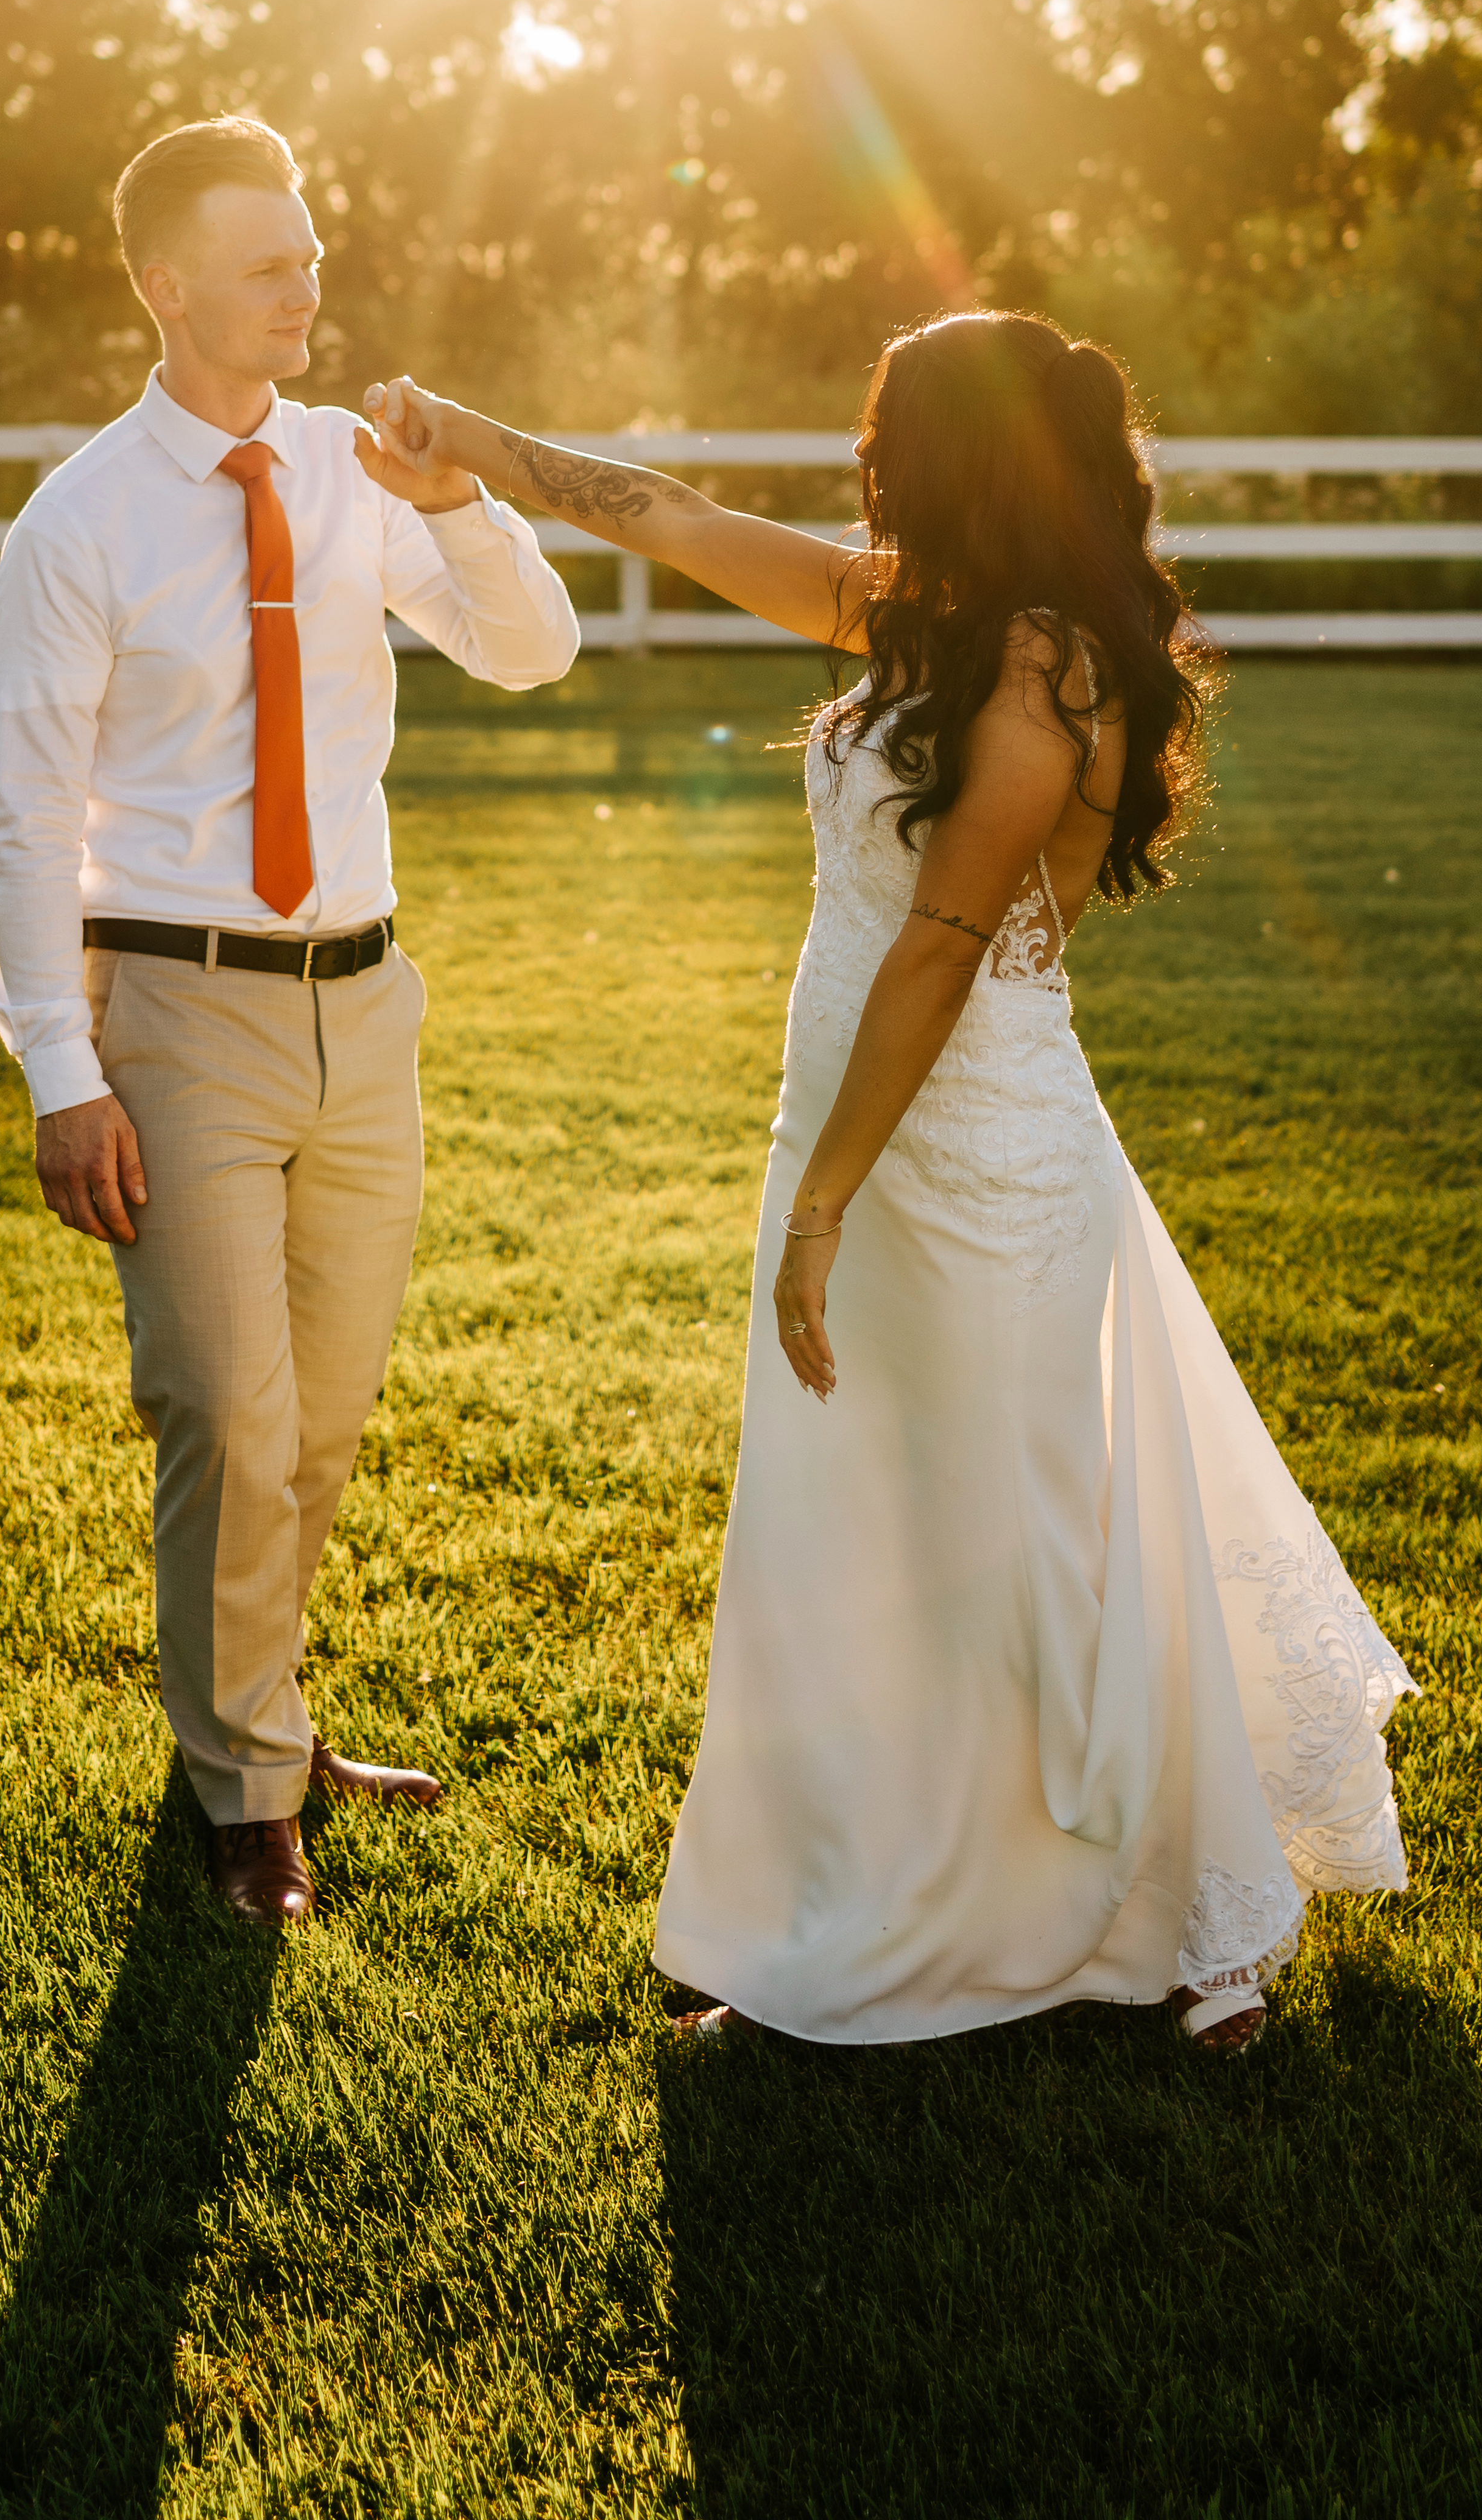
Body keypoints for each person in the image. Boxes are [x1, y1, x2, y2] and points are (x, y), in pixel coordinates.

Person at [364, 314, 1414, 2051]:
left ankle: (1161, 1921)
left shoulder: (1038, 676)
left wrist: (827, 1199)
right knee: (851, 1534)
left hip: (973, 1160)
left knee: (1020, 1544)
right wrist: (466, 435)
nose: (866, 465)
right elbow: (666, 515)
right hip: (850, 1124)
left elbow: (937, 951)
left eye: (887, 436)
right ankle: (841, 1920)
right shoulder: (908, 618)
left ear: (946, 457)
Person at [0, 117, 580, 1926]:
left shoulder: (344, 472)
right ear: (165, 288)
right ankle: (244, 1799)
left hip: (366, 1002)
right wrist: (62, 1075)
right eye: (267, 263)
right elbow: (27, 819)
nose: (305, 286)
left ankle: (260, 1720)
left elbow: (531, 652)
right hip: (176, 1006)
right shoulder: (77, 523)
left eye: (312, 255)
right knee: (224, 1419)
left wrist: (457, 498)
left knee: (317, 1420)